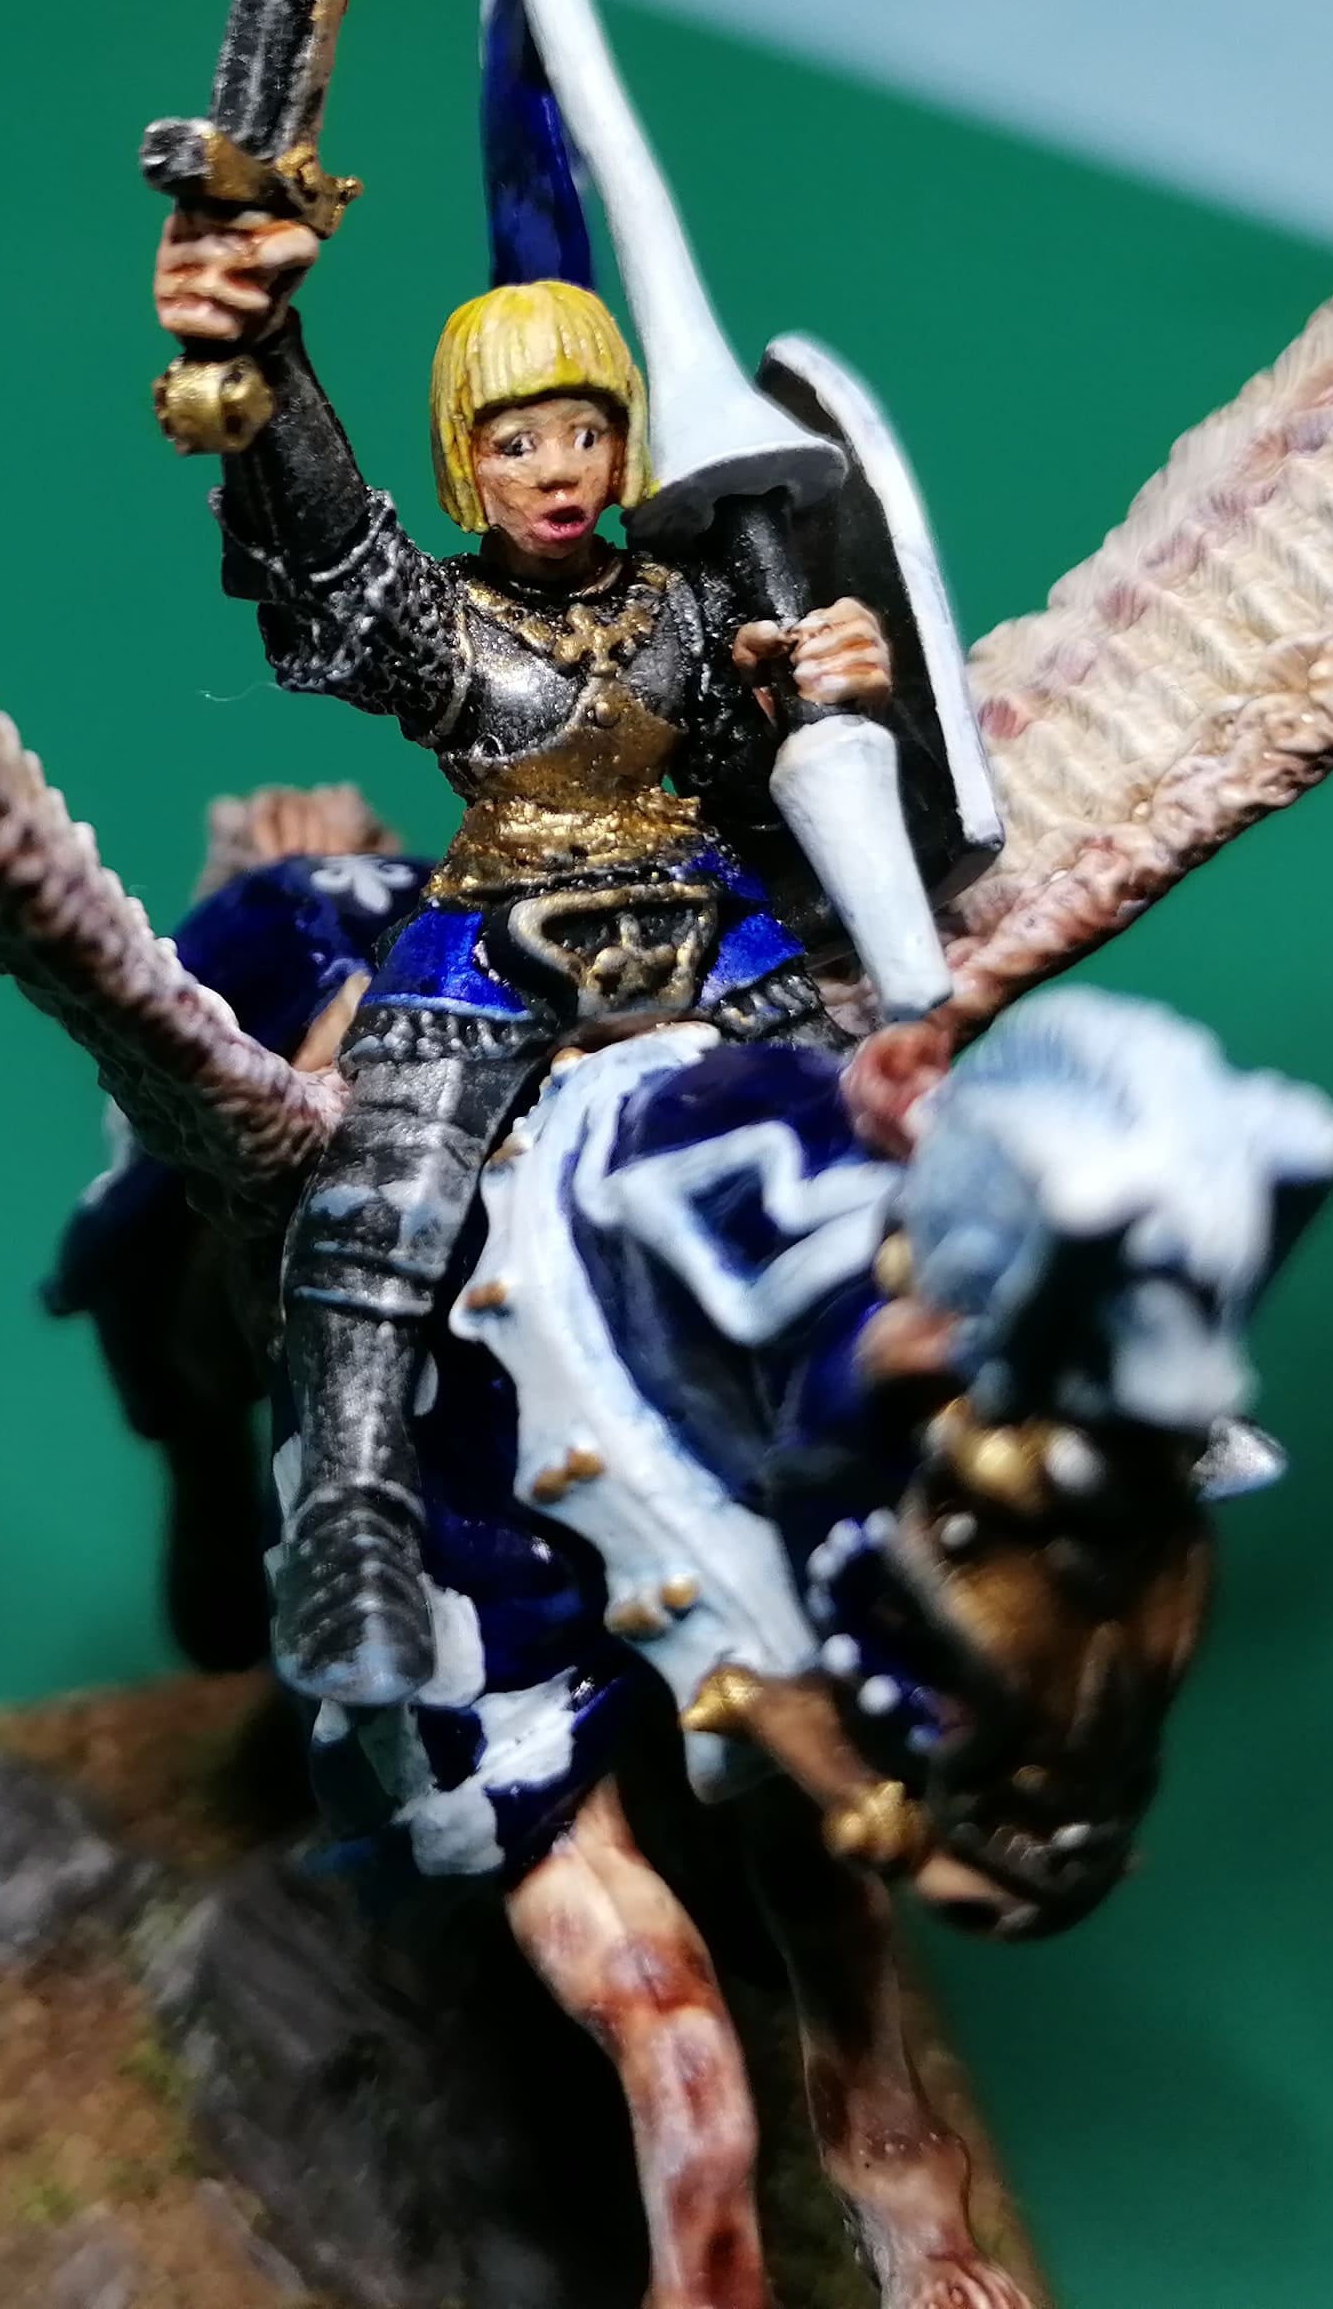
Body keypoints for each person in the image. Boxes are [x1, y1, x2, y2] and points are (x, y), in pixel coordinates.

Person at [156, 206, 895, 1706]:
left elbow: (773, 786)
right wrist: (268, 345)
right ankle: (356, 1520)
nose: (557, 470)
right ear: (464, 463)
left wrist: (830, 682)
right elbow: (326, 538)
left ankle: (1000, 1372)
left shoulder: (698, 603)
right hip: (497, 931)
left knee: (871, 1132)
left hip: (708, 920)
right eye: (516, 443)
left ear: (624, 448)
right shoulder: (437, 622)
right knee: (378, 1204)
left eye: (583, 434)